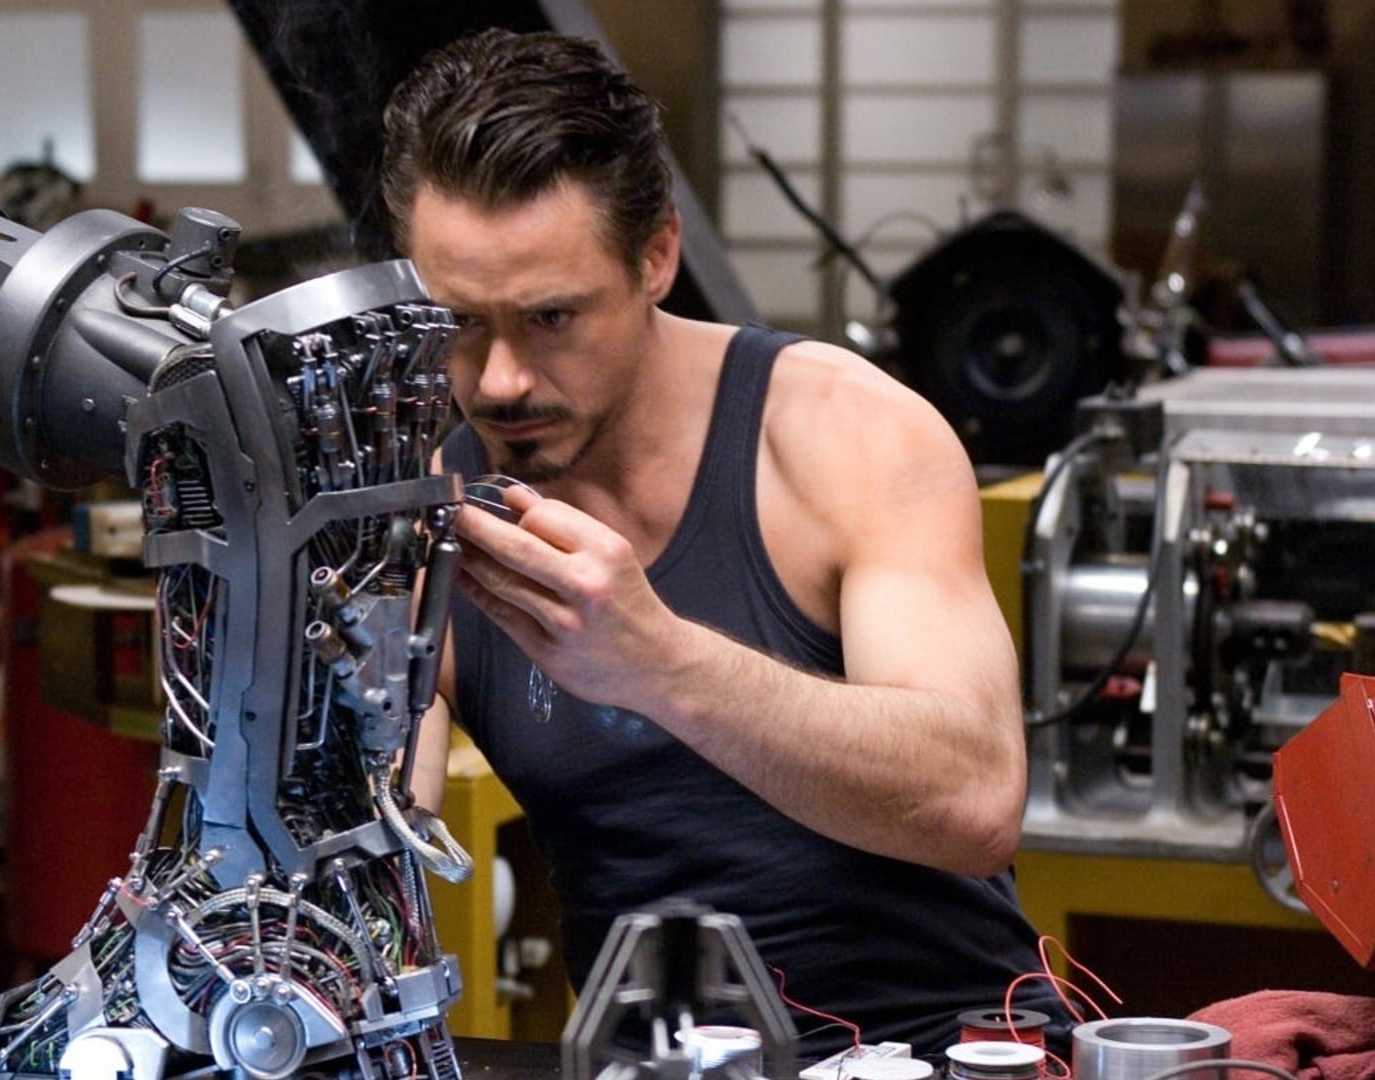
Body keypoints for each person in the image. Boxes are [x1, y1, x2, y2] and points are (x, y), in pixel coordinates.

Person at [383, 28, 1073, 1060]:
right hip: (649, 1061)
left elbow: (973, 800)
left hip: (929, 1048)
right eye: (460, 323)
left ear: (657, 256)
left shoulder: (844, 435)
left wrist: (659, 663)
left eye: (553, 318)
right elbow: (368, 831)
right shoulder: (428, 498)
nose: (500, 381)